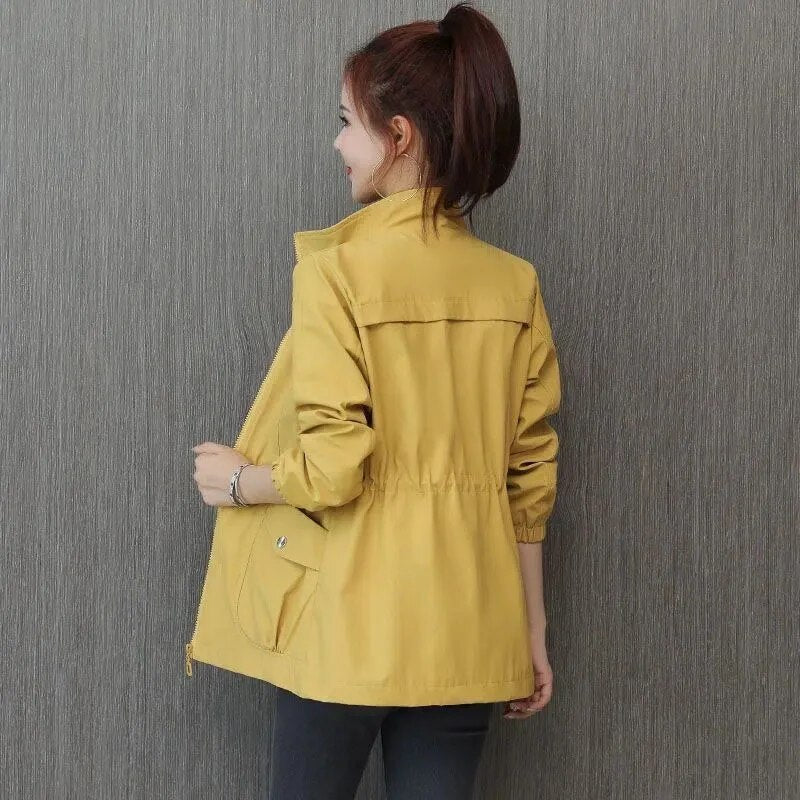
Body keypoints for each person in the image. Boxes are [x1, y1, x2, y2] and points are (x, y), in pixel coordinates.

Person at [190, 3, 561, 798]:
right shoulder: (515, 286)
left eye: (346, 123)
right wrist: (530, 633)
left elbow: (334, 469)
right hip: (471, 632)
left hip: (347, 630)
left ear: (398, 136)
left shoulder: (336, 275)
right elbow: (527, 485)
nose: (336, 144)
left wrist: (237, 481)